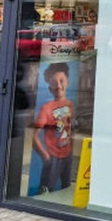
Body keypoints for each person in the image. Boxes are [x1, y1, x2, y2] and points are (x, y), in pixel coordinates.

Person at [33, 62, 74, 194]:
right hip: (54, 156)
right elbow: (34, 136)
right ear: (49, 88)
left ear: (67, 82)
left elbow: (70, 128)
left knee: (66, 187)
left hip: (67, 155)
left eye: (61, 81)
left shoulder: (70, 104)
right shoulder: (46, 108)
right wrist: (46, 156)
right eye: (54, 83)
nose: (58, 86)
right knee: (46, 190)